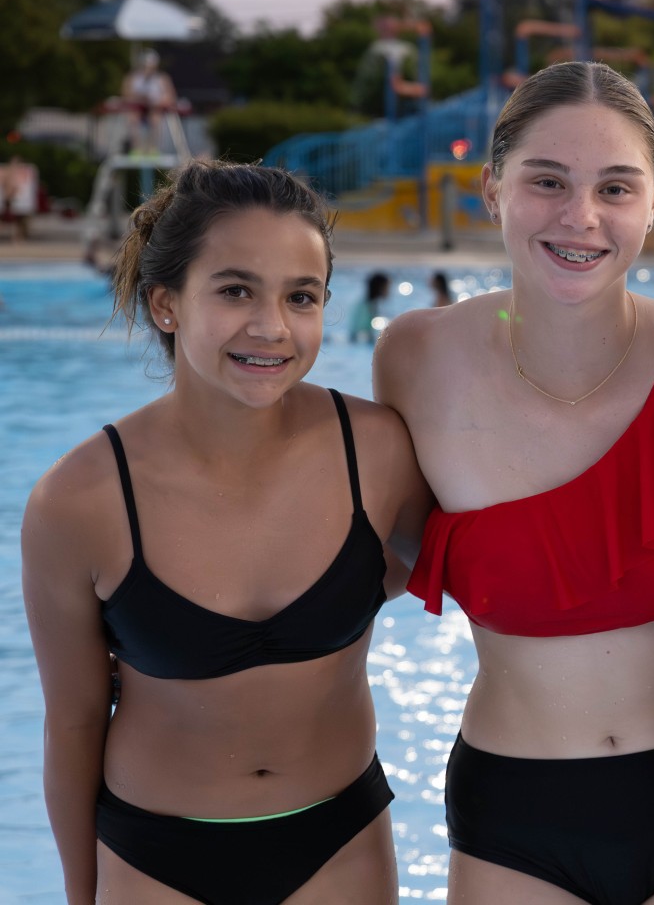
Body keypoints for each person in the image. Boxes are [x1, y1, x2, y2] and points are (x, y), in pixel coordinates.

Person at [374, 61, 654, 904]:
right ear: (491, 188)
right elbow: (381, 565)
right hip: (515, 814)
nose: (580, 217)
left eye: (615, 188)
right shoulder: (418, 359)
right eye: (546, 181)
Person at [20, 160, 431, 904]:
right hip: (156, 857)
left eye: (300, 296)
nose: (271, 327)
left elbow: (457, 574)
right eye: (236, 290)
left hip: (338, 842)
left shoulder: (377, 452)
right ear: (166, 304)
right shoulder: (79, 503)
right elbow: (74, 724)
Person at [120, 49, 178, 155]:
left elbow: (170, 97)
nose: (147, 69)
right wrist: (140, 98)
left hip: (155, 108)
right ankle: (136, 149)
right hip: (137, 108)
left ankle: (152, 149)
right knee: (132, 117)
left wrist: (157, 101)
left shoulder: (162, 78)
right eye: (145, 66)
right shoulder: (132, 78)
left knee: (155, 118)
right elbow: (126, 95)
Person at [1, 155, 40, 242]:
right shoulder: (10, 173)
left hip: (18, 201)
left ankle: (19, 236)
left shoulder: (16, 173)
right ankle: (18, 236)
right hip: (14, 200)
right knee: (17, 221)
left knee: (20, 221)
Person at [349, 270, 390, 343]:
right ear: (380, 288)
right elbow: (360, 332)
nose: (389, 291)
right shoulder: (366, 307)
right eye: (387, 288)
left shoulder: (370, 304)